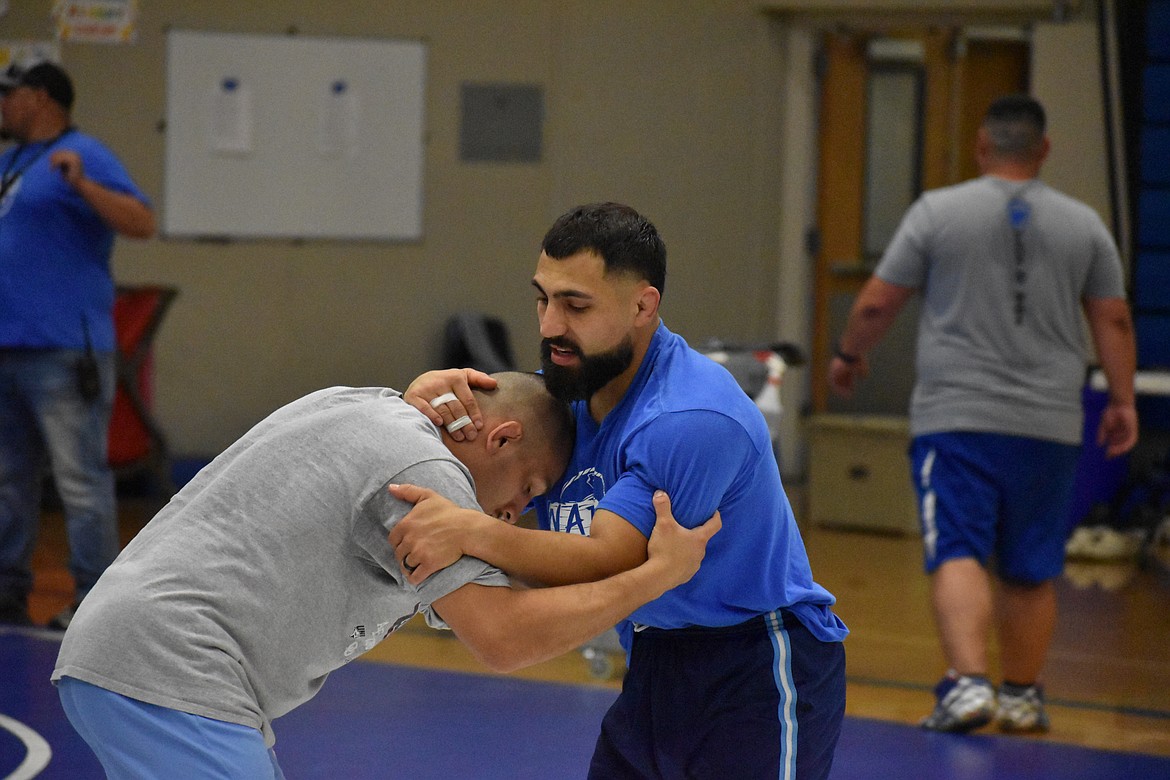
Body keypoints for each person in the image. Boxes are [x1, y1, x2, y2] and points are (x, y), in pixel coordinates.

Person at [52, 372, 720, 778]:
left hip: (139, 659)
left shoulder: (370, 405)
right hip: (173, 670)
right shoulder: (426, 471)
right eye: (529, 489)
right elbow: (503, 638)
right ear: (501, 437)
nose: (515, 515)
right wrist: (654, 576)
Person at [395, 202, 848, 779]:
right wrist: (425, 403)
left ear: (642, 305)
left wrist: (472, 532)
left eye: (576, 305)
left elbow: (606, 561)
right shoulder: (566, 390)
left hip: (755, 663)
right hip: (653, 651)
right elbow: (480, 444)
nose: (550, 325)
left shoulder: (689, 417)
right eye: (544, 299)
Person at [828, 94, 1138, 734]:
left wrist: (848, 356)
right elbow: (1113, 318)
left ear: (980, 147)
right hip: (1050, 423)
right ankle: (1023, 695)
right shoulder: (1084, 224)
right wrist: (1123, 400)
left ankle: (968, 685)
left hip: (958, 417)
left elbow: (876, 304)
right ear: (1043, 149)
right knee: (1031, 565)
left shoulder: (938, 212)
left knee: (959, 550)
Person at [0, 60, 156, 629]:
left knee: (79, 481)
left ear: (41, 99)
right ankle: (7, 593)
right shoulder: (11, 161)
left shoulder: (84, 152)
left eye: (9, 95)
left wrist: (83, 184)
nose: (2, 105)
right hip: (8, 348)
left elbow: (141, 221)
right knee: (8, 483)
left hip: (64, 350)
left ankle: (94, 605)